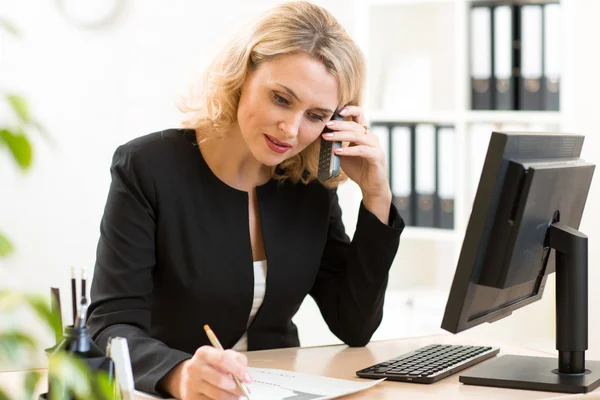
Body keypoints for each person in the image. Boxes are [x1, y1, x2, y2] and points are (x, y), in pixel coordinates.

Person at [87, 1, 404, 399]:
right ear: (242, 75)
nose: (290, 129)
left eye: (316, 115)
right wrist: (178, 374)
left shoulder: (307, 186)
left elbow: (354, 324)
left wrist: (377, 196)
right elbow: (110, 324)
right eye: (281, 99)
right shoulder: (148, 168)